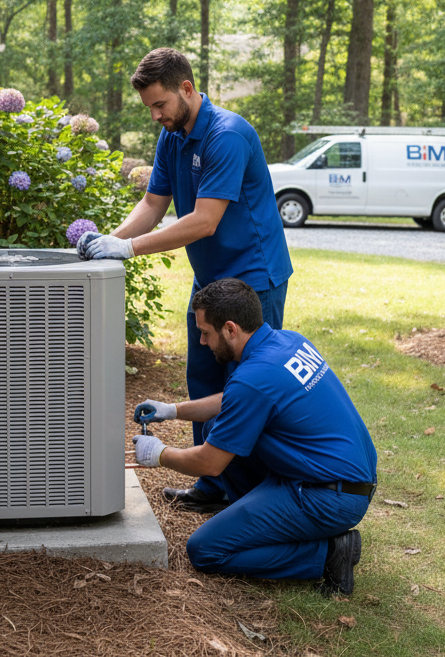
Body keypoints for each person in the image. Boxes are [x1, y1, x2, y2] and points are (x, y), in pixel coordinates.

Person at [78, 48, 293, 512]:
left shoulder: (227, 135)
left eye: (160, 105)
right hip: (211, 279)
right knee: (202, 374)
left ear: (187, 90)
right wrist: (106, 241)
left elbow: (204, 221)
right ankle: (212, 485)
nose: (156, 116)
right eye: (149, 108)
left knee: (245, 385)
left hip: (255, 278)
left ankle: (255, 494)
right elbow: (154, 205)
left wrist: (130, 249)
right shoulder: (172, 137)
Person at [131, 278, 377, 595]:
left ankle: (330, 553)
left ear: (231, 329)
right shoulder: (287, 342)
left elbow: (210, 463)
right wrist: (172, 410)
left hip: (328, 496)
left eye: (205, 332)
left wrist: (159, 453)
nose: (202, 342)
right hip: (345, 477)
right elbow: (236, 400)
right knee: (214, 426)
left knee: (205, 550)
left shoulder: (253, 379)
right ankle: (261, 522)